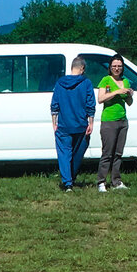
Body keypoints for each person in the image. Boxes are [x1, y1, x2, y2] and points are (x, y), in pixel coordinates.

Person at [49, 55, 96, 192]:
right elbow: (90, 105)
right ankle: (72, 177)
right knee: (77, 153)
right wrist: (91, 123)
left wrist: (54, 123)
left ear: (72, 68)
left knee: (64, 153)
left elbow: (54, 105)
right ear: (82, 68)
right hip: (80, 125)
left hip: (63, 125)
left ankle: (67, 183)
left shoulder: (60, 83)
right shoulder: (86, 83)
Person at [96, 54, 134, 191]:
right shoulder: (105, 80)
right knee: (107, 153)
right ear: (110, 67)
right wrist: (117, 92)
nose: (117, 68)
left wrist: (129, 95)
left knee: (118, 153)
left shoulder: (126, 81)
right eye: (114, 66)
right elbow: (100, 99)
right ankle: (101, 182)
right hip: (109, 121)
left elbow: (129, 103)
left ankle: (116, 181)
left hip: (122, 121)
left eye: (119, 66)